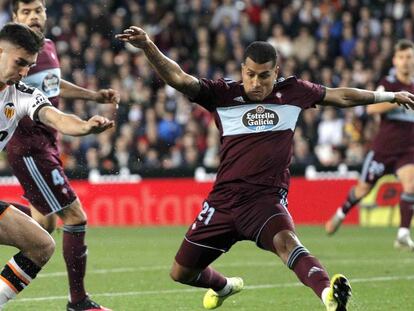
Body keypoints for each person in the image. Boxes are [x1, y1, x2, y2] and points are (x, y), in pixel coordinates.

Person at [116, 26, 414, 310]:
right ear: (241, 70)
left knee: (288, 243)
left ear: (276, 73)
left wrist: (389, 96)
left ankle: (328, 296)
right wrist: (148, 46)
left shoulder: (294, 91)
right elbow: (179, 78)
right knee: (180, 272)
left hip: (265, 201)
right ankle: (223, 286)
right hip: (222, 203)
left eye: (264, 76)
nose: (256, 83)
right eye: (250, 75)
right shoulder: (221, 95)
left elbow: (341, 95)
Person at [8, 1, 120, 310]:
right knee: (74, 216)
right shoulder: (9, 57)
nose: (34, 16)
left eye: (39, 10)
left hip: (48, 141)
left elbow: (51, 87)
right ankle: (79, 301)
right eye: (27, 11)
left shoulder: (46, 48)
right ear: (14, 17)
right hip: (30, 146)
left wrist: (91, 97)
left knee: (43, 227)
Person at [325, 39, 414, 250]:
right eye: (401, 57)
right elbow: (371, 109)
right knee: (362, 189)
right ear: (394, 60)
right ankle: (341, 213)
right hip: (383, 150)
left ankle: (403, 233)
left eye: (409, 57)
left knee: (411, 184)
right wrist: (395, 99)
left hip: (408, 150)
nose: (405, 62)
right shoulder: (388, 83)